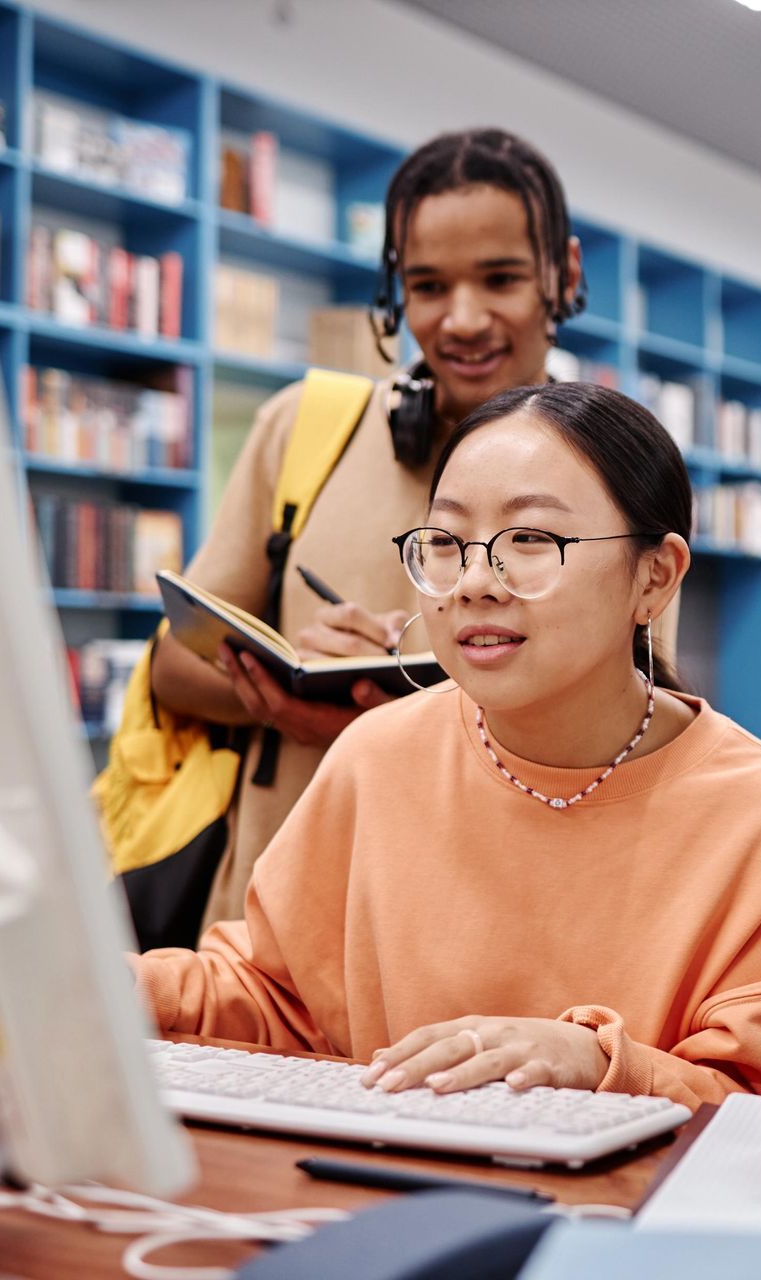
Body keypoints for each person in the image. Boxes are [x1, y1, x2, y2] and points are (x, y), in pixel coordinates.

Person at [134, 382, 761, 1108]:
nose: (474, 582)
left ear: (654, 577)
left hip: (627, 1214)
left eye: (531, 541)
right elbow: (275, 999)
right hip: (385, 1196)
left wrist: (599, 1063)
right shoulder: (377, 756)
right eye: (446, 544)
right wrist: (137, 987)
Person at [150, 128, 586, 931]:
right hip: (271, 921)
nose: (462, 319)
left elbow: (634, 717)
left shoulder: (612, 471)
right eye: (427, 285)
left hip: (496, 924)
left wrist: (402, 706)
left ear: (565, 275)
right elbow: (173, 667)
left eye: (500, 279)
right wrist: (286, 687)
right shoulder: (303, 430)